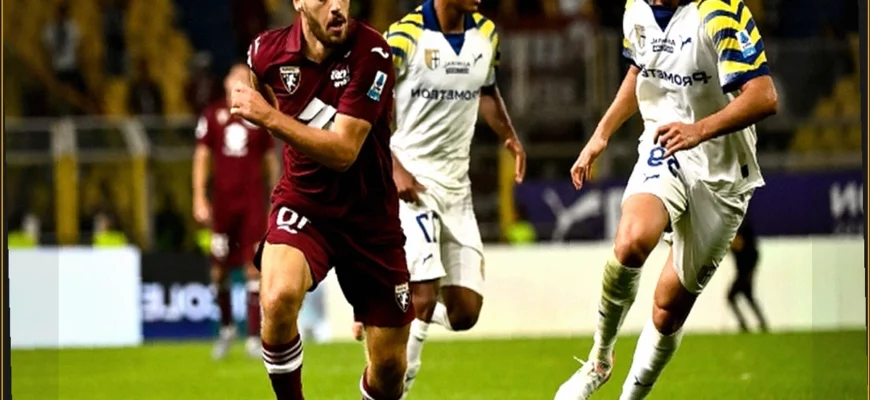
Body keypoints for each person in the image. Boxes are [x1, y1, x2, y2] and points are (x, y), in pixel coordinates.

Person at [554, 1, 778, 399]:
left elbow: (764, 96)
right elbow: (640, 69)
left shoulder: (720, 12)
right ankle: (599, 360)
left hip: (724, 174)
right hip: (666, 142)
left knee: (667, 310)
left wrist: (699, 130)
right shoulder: (635, 10)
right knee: (632, 241)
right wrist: (601, 134)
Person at [233, 0, 411, 398]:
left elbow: (344, 151)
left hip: (369, 217)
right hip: (305, 204)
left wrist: (271, 118)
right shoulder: (265, 53)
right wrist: (272, 117)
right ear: (298, 2)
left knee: (389, 369)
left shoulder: (372, 52)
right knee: (277, 297)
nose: (336, 7)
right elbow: (264, 92)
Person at [358, 1, 526, 397]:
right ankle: (396, 391)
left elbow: (487, 90)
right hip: (411, 184)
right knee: (424, 295)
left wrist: (510, 135)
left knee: (465, 312)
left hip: (456, 189)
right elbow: (364, 107)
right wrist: (394, 167)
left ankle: (386, 308)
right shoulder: (403, 36)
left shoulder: (486, 34)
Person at [192, 63, 279, 360]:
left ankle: (254, 337)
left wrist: (275, 197)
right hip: (223, 205)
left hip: (253, 203)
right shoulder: (213, 115)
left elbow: (270, 161)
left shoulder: (260, 114)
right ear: (227, 83)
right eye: (235, 77)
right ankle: (227, 328)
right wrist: (199, 197)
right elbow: (202, 156)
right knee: (218, 270)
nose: (240, 82)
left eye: (245, 78)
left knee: (254, 268)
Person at [726, 218, 768, 333]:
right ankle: (762, 324)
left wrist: (726, 244)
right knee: (748, 297)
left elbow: (738, 245)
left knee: (731, 297)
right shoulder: (739, 227)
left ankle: (744, 325)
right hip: (743, 270)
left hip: (745, 271)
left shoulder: (741, 228)